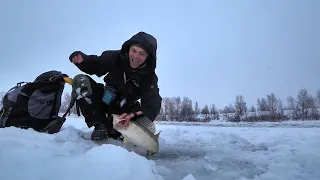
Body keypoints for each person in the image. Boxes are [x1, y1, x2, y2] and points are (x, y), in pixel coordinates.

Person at [69, 31, 162, 140]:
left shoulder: (149, 77)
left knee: (138, 125)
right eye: (134, 51)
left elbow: (153, 102)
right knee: (80, 80)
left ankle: (119, 131)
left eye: (142, 54)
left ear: (148, 57)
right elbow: (96, 65)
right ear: (129, 49)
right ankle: (100, 126)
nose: (136, 56)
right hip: (105, 101)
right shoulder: (114, 57)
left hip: (126, 112)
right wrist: (82, 60)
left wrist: (138, 116)